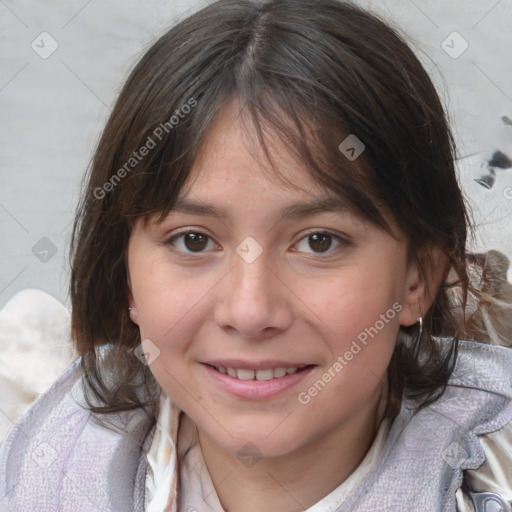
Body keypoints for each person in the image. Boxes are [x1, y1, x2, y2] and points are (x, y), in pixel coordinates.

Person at [1, 0, 511, 510]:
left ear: (418, 277)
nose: (250, 312)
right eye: (193, 240)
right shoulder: (32, 452)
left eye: (318, 241)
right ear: (127, 277)